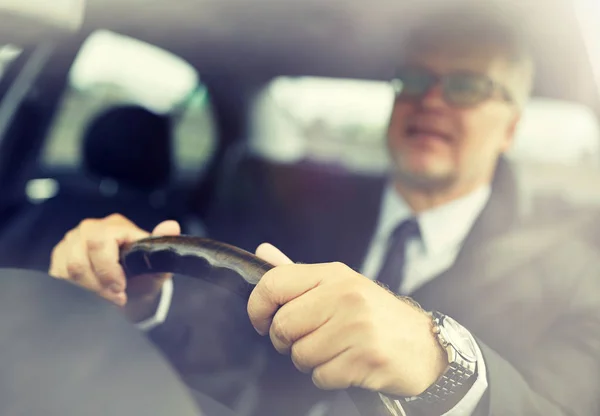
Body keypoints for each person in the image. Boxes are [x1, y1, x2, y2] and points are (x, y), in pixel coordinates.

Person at [48, 3, 600, 416]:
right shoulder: (299, 203)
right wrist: (147, 296)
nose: (430, 100)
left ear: (511, 127)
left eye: (465, 85)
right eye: (413, 80)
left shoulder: (577, 272)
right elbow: (227, 338)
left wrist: (444, 370)